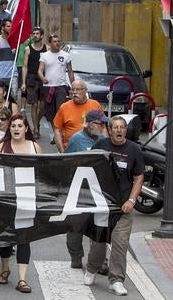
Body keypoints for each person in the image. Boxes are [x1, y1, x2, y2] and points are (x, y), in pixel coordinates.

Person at [83, 116, 145, 296]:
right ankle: (92, 268)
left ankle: (116, 280)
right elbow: (87, 167)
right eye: (115, 128)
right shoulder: (100, 145)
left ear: (126, 130)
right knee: (98, 243)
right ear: (109, 130)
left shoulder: (134, 149)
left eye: (122, 128)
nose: (119, 131)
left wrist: (132, 200)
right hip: (102, 205)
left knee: (120, 243)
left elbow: (139, 178)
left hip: (123, 206)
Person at [0, 114, 43, 294]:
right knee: (6, 236)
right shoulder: (0, 146)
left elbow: (42, 174)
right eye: (13, 126)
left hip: (27, 199)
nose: (15, 129)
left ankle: (22, 279)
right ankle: (5, 269)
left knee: (24, 237)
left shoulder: (35, 148)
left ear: (26, 129)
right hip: (5, 199)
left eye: (19, 126)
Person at [64, 110, 109, 270]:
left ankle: (100, 261)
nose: (103, 126)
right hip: (79, 190)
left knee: (99, 227)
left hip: (98, 191)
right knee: (76, 227)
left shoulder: (104, 140)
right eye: (99, 123)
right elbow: (66, 161)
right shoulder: (77, 139)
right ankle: (76, 256)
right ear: (90, 124)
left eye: (104, 124)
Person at [53, 79, 103, 152]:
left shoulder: (95, 105)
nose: (75, 92)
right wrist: (62, 152)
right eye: (73, 90)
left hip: (92, 148)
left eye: (78, 89)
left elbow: (103, 127)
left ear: (85, 90)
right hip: (70, 150)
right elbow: (57, 130)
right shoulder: (64, 107)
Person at [38, 33, 74, 131]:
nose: (57, 43)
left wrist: (73, 85)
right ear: (50, 43)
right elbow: (40, 70)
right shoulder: (45, 55)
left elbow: (70, 71)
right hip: (48, 86)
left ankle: (57, 132)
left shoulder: (66, 55)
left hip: (61, 86)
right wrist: (43, 78)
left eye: (58, 41)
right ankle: (51, 129)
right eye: (54, 41)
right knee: (50, 111)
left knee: (60, 108)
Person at [21, 27, 47, 138]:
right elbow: (25, 66)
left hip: (44, 79)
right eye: (34, 33)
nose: (35, 35)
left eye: (37, 34)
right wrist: (23, 82)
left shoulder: (47, 49)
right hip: (31, 79)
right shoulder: (28, 49)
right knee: (34, 104)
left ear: (42, 36)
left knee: (43, 106)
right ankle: (36, 129)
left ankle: (37, 122)